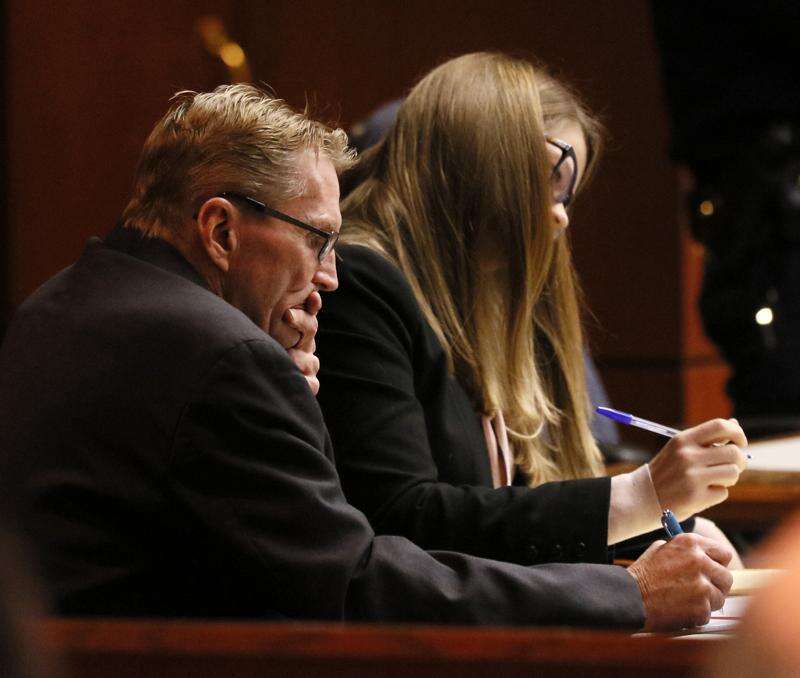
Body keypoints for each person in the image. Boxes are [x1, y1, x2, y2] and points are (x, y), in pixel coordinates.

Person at [0, 83, 734, 629]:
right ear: (220, 231)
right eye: (318, 239)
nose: (331, 275)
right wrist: (626, 594)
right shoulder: (222, 355)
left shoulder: (57, 306)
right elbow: (352, 586)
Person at [316, 52, 746, 568]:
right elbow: (402, 519)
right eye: (547, 182)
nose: (560, 217)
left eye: (568, 194)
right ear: (478, 164)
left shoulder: (480, 290)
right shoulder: (360, 281)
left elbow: (507, 509)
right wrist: (644, 495)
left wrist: (676, 525)